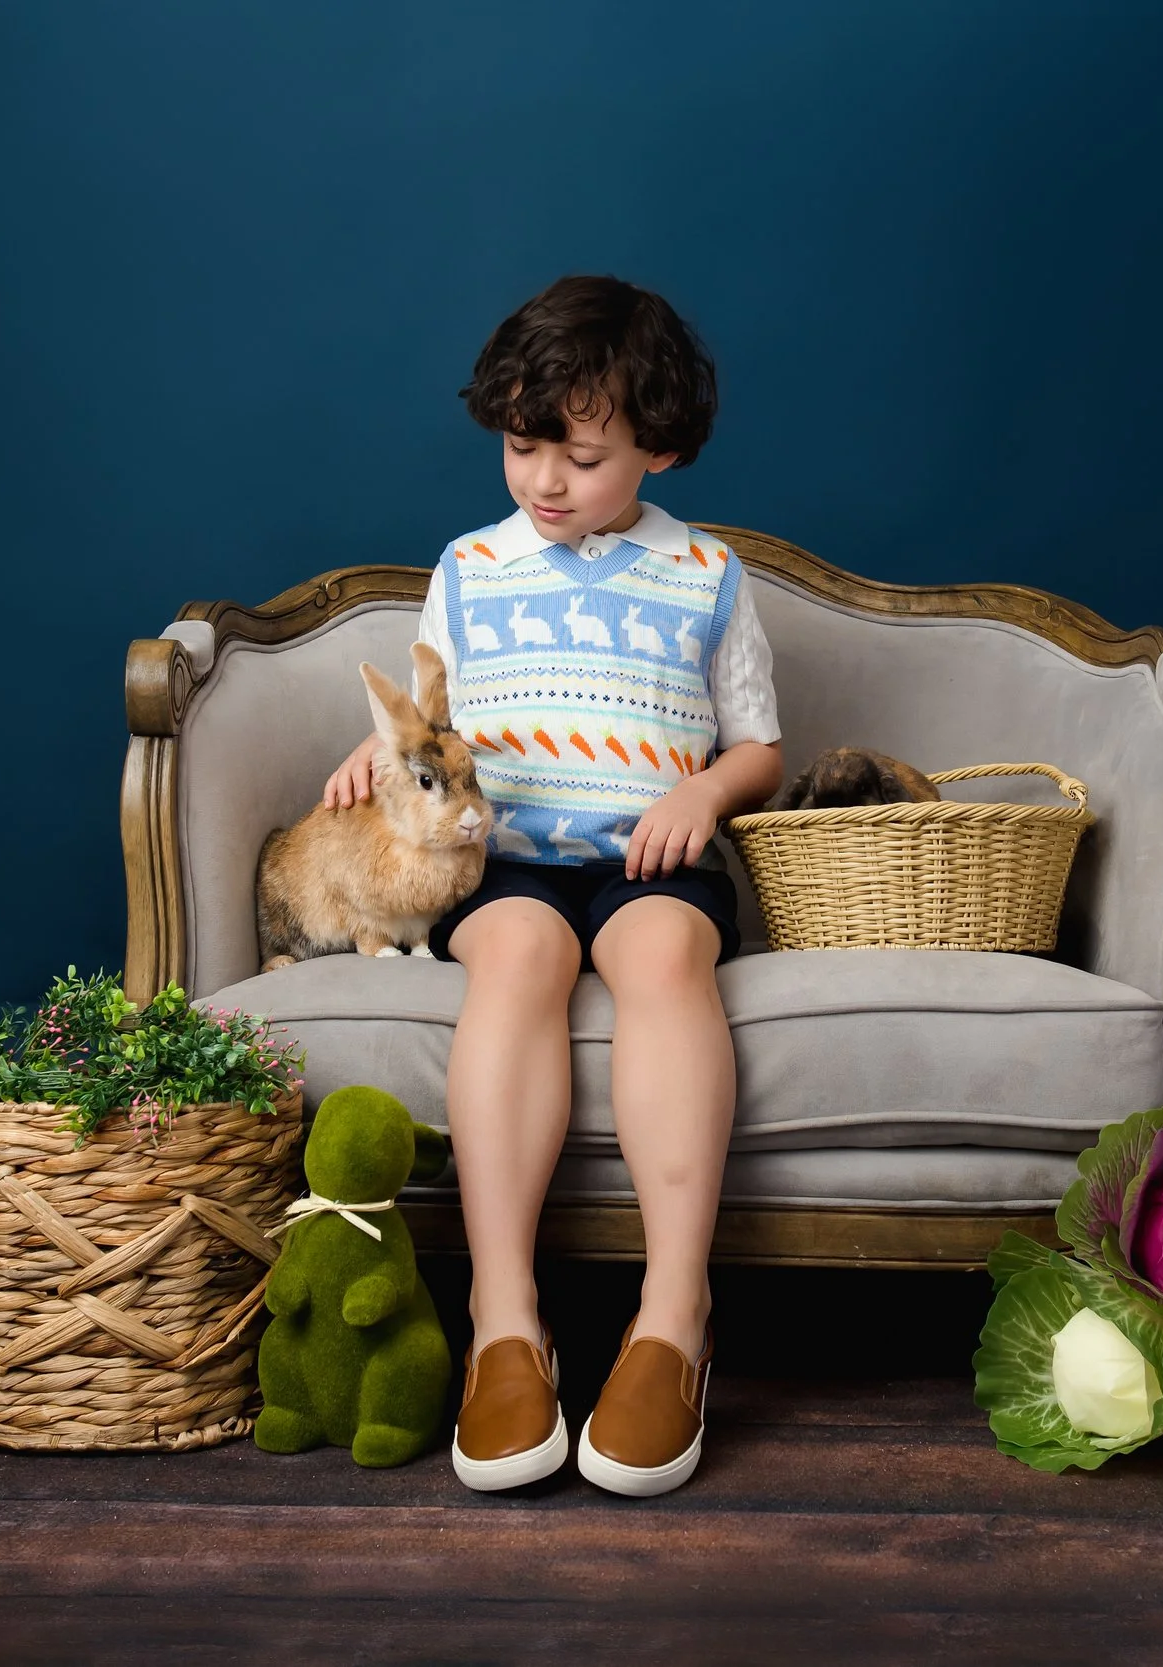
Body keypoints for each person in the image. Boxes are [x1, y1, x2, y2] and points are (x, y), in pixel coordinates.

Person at [317, 274, 780, 1496]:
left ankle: (673, 1314)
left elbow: (757, 743)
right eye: (524, 448)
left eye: (579, 454)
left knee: (665, 960)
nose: (545, 481)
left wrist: (702, 794)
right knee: (517, 955)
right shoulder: (469, 567)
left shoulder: (709, 574)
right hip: (502, 856)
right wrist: (380, 749)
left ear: (658, 448)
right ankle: (505, 1317)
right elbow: (429, 711)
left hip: (649, 860)